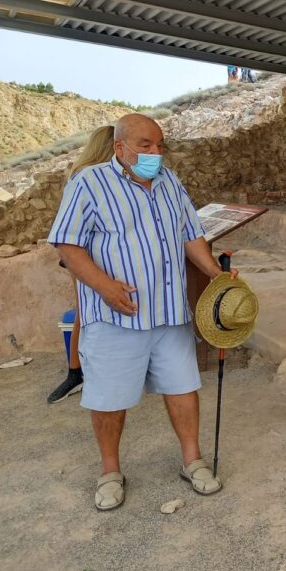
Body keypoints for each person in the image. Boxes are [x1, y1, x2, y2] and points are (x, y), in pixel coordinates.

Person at [47, 113, 238, 511]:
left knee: (183, 387)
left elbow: (192, 235)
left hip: (169, 313)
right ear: (120, 148)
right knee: (109, 397)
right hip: (118, 314)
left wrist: (216, 274)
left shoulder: (170, 183)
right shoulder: (90, 183)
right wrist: (104, 286)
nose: (155, 153)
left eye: (159, 145)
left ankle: (192, 461)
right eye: (145, 145)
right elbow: (68, 246)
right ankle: (111, 471)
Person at [47, 125, 115, 405]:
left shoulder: (85, 174)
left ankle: (78, 371)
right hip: (86, 257)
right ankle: (77, 372)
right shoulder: (86, 177)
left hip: (88, 256)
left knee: (85, 312)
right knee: (85, 313)